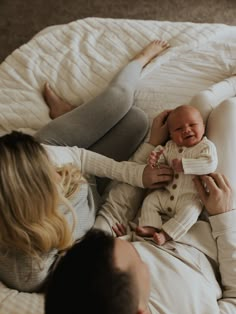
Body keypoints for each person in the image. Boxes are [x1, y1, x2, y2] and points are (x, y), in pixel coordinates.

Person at [44, 76, 236, 314]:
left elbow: (116, 209)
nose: (137, 247)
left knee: (196, 107)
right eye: (141, 263)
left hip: (165, 198)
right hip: (210, 221)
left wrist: (150, 146)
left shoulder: (79, 298)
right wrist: (224, 216)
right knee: (227, 111)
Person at [0, 40, 172, 293]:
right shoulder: (28, 270)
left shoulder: (44, 157)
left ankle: (139, 60)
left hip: (66, 149)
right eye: (52, 173)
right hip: (88, 188)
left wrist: (137, 175)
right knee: (136, 121)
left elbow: (79, 158)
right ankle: (73, 115)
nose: (57, 170)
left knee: (121, 100)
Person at [136, 105, 218, 245]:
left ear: (203, 127)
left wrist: (185, 165)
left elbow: (209, 164)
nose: (186, 130)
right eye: (178, 129)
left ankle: (166, 234)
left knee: (191, 212)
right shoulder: (169, 147)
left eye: (192, 125)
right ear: (171, 135)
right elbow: (159, 164)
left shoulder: (205, 146)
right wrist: (155, 161)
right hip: (166, 194)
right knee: (150, 200)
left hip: (189, 198)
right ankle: (150, 225)